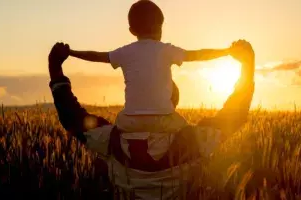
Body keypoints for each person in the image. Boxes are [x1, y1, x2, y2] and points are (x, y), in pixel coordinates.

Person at [47, 38, 255, 199]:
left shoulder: (112, 140)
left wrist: (55, 70)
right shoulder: (193, 140)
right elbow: (234, 115)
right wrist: (247, 67)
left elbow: (72, 119)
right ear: (173, 100)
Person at [67, 0, 234, 135]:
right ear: (160, 26)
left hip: (130, 120)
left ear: (132, 30)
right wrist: (227, 51)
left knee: (115, 136)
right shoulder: (166, 49)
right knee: (188, 134)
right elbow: (197, 55)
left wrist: (71, 52)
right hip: (163, 118)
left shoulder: (125, 52)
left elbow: (97, 56)